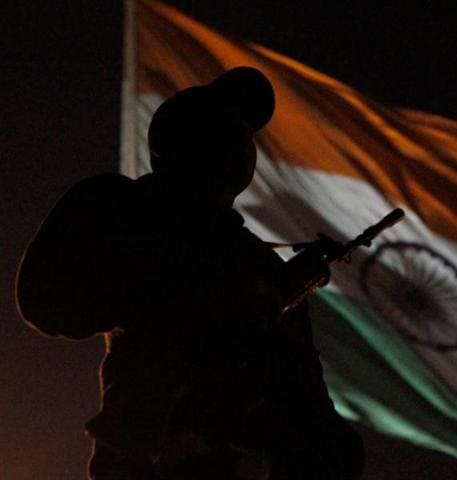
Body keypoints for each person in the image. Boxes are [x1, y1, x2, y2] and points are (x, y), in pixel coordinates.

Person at [16, 67, 363, 480]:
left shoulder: (256, 266)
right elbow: (47, 301)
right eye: (219, 127)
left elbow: (315, 421)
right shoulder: (123, 211)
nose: (231, 139)